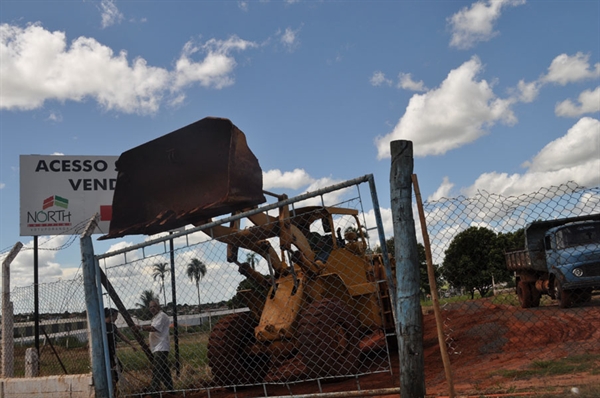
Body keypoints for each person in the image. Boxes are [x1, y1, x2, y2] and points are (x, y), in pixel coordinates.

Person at [137, 300, 173, 392]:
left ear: (159, 307)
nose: (152, 308)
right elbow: (157, 334)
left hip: (161, 347)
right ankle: (170, 389)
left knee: (157, 369)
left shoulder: (161, 316)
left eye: (154, 306)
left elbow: (154, 329)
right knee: (164, 370)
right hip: (157, 346)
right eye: (150, 307)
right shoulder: (155, 317)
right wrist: (149, 344)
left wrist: (141, 327)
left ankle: (154, 390)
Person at [104, 308, 136, 394]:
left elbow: (121, 336)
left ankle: (112, 387)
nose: (116, 318)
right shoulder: (102, 326)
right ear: (111, 315)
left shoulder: (113, 326)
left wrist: (131, 344)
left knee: (118, 368)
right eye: (116, 316)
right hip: (105, 354)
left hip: (112, 353)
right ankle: (111, 388)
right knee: (112, 371)